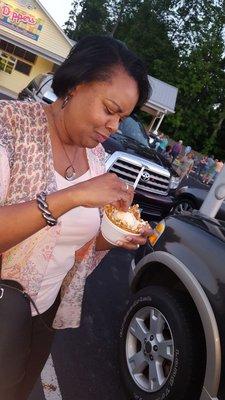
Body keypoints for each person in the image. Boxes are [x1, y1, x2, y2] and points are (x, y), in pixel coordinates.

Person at [0, 35, 152, 399]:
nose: (114, 125)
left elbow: (73, 244)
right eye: (110, 108)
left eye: (122, 117)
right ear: (77, 84)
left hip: (45, 311)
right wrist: (74, 196)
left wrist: (116, 236)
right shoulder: (10, 127)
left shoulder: (96, 157)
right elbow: (66, 206)